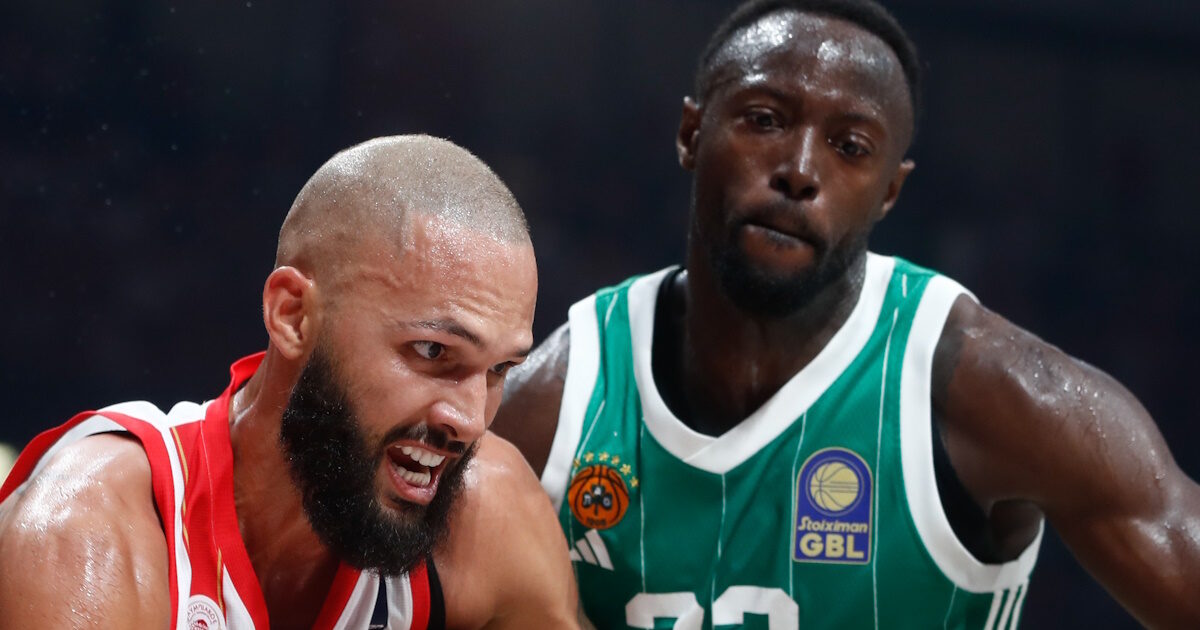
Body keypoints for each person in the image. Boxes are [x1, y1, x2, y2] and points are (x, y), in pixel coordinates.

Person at [492, 1, 1200, 628]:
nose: (800, 170)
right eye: (765, 120)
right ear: (690, 133)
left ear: (889, 191)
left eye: (850, 147)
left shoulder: (986, 388)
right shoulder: (558, 401)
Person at [0, 135, 579, 629]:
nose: (470, 420)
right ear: (294, 316)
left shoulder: (486, 516)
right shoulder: (88, 535)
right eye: (432, 351)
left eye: (498, 370)